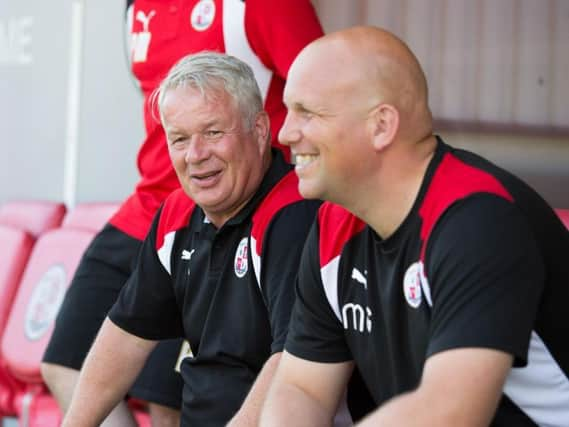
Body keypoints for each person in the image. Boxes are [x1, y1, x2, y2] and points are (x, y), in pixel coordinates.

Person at [260, 26, 569, 426]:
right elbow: (302, 388)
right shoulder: (333, 225)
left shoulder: (476, 219)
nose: (285, 133)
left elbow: (449, 412)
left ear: (381, 125)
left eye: (308, 112)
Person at [41, 0, 323, 425]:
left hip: (253, 205)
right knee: (66, 361)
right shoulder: (177, 210)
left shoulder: (295, 217)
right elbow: (125, 335)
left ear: (261, 129)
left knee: (166, 400)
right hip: (164, 210)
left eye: (213, 132)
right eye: (181, 138)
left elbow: (328, 94)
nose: (196, 153)